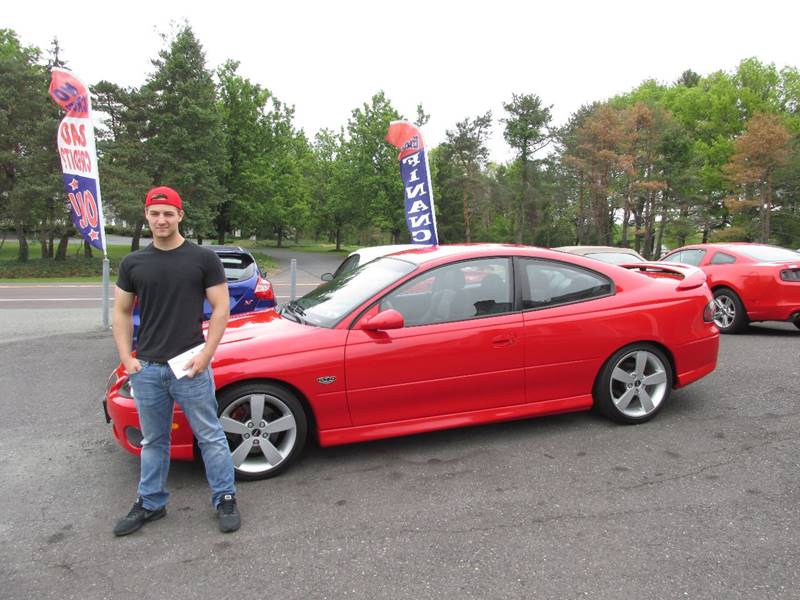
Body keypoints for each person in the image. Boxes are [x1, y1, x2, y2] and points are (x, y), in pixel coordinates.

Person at [111, 186, 241, 536]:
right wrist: (127, 358)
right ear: (147, 216)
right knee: (154, 440)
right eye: (155, 214)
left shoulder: (202, 258)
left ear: (180, 215)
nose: (161, 219)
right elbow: (121, 312)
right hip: (148, 368)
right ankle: (150, 502)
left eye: (168, 213)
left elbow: (221, 307)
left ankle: (225, 497)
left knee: (210, 436)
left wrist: (206, 354)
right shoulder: (133, 263)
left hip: (190, 365)